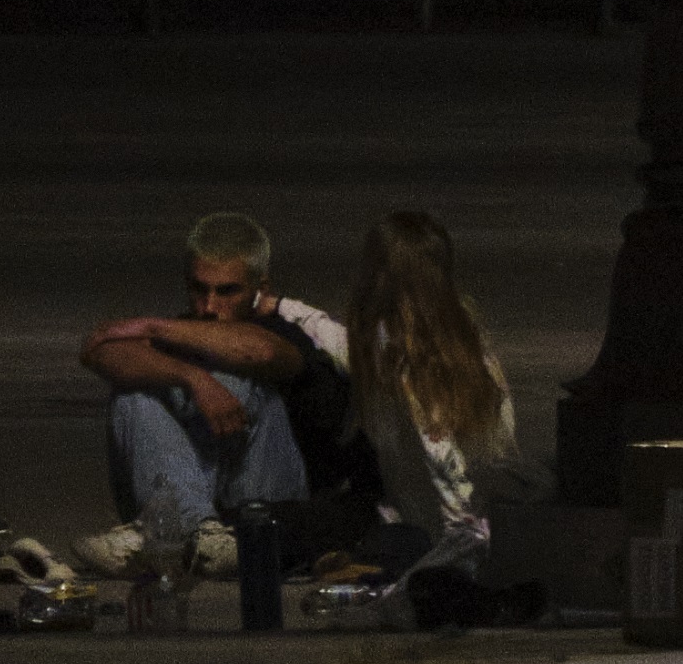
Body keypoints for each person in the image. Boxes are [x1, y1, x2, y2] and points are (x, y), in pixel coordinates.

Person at [75, 210, 382, 576]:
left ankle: (181, 532)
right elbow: (99, 350)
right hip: (203, 503)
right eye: (198, 289)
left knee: (233, 377)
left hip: (273, 503)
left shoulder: (282, 330)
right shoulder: (183, 330)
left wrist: (154, 328)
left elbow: (260, 353)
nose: (209, 307)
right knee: (135, 392)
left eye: (227, 291)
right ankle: (197, 532)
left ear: (259, 290)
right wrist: (192, 379)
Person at [341, 209, 535, 576]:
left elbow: (442, 459)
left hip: (456, 531)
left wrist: (458, 544)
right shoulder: (460, 330)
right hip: (481, 517)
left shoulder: (400, 350)